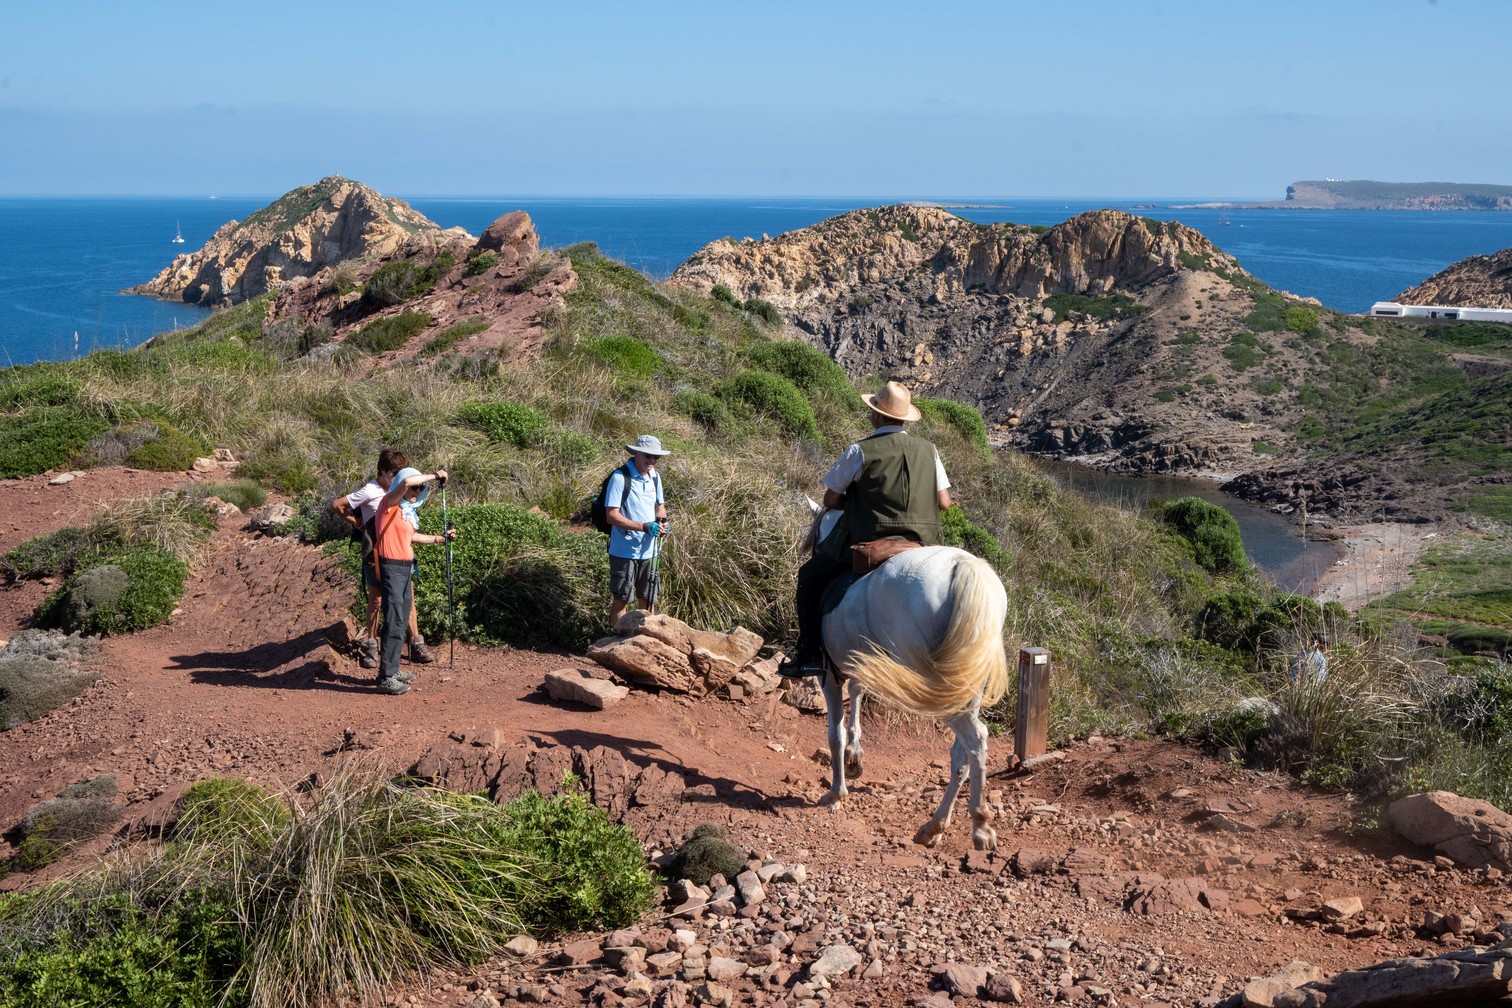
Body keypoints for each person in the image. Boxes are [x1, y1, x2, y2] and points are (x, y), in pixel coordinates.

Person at [780, 380, 953, 677]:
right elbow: (946, 502)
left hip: (872, 540)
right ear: (903, 418)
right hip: (925, 543)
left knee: (808, 577)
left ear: (875, 415)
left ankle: (809, 653)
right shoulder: (929, 450)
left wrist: (858, 500)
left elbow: (830, 499)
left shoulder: (860, 450)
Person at [372, 466, 457, 695]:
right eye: (416, 487)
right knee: (394, 618)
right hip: (391, 568)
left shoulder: (405, 512)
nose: (417, 490)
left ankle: (393, 669)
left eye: (421, 488)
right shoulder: (387, 504)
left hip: (405, 568)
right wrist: (436, 476)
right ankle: (386, 676)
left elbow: (412, 537)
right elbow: (408, 480)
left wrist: (440, 539)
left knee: (401, 618)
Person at [331, 449, 406, 669]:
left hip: (397, 549)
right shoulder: (370, 490)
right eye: (394, 472)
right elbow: (337, 505)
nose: (397, 476)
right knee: (376, 599)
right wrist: (358, 523)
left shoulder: (398, 489)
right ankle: (371, 644)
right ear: (382, 470)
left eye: (400, 472)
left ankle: (415, 644)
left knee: (405, 597)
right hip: (375, 552)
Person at [605, 435, 669, 628]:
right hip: (624, 550)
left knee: (648, 598)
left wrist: (662, 522)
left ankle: (645, 641)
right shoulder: (619, 478)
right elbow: (611, 516)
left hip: (650, 550)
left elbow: (660, 506)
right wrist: (643, 526)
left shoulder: (655, 477)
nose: (652, 461)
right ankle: (617, 643)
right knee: (622, 597)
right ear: (637, 453)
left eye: (656, 457)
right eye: (648, 456)